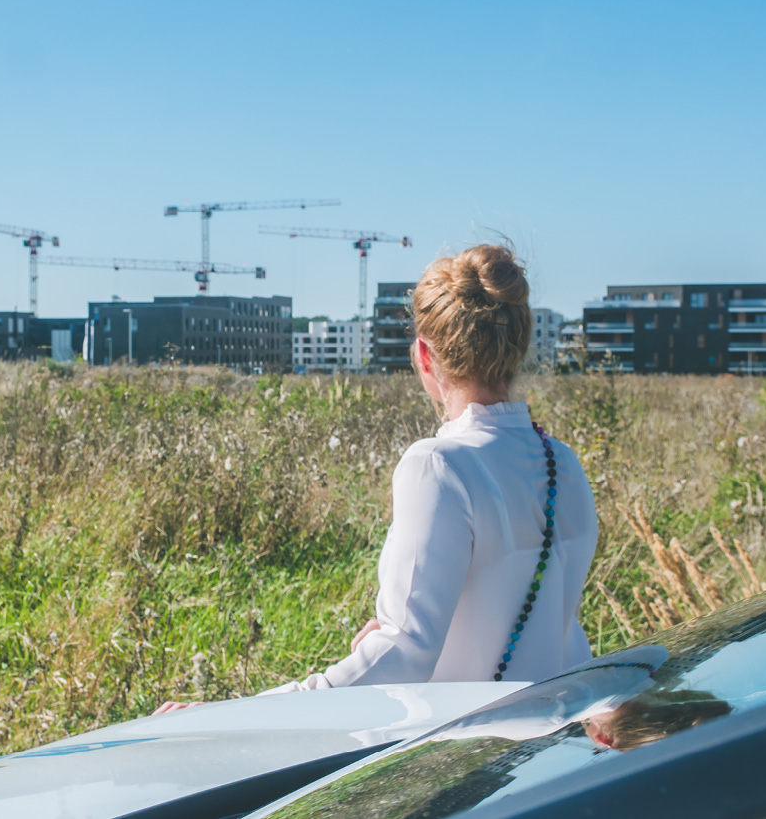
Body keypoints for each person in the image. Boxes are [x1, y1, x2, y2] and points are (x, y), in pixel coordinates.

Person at [155, 243, 598, 712]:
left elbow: (404, 654)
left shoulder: (439, 465)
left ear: (425, 356)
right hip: (560, 747)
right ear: (520, 345)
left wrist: (230, 716)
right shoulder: (563, 462)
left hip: (475, 758)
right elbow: (541, 623)